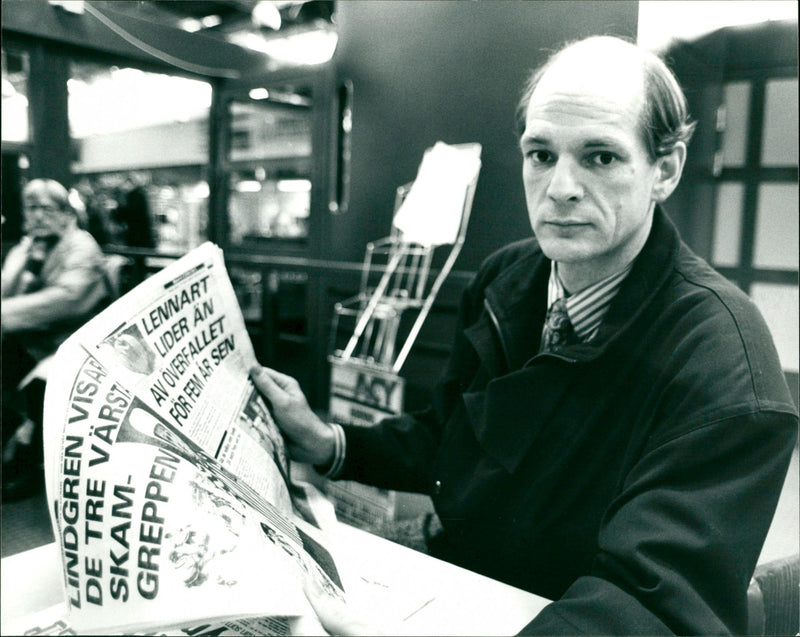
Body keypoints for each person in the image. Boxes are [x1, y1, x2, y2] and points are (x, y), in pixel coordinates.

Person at [250, 36, 798, 635]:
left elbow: (654, 608)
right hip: (458, 575)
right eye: (540, 154)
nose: (560, 187)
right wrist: (329, 442)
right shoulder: (506, 278)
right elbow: (448, 436)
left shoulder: (723, 360)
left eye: (601, 158)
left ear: (665, 169)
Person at [1, 178, 111, 499]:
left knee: (42, 388)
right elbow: (6, 287)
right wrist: (23, 264)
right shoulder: (29, 246)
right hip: (35, 341)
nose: (37, 216)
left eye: (46, 209)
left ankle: (33, 468)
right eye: (31, 208)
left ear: (65, 213)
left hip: (77, 344)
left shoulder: (82, 246)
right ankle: (12, 447)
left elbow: (67, 299)